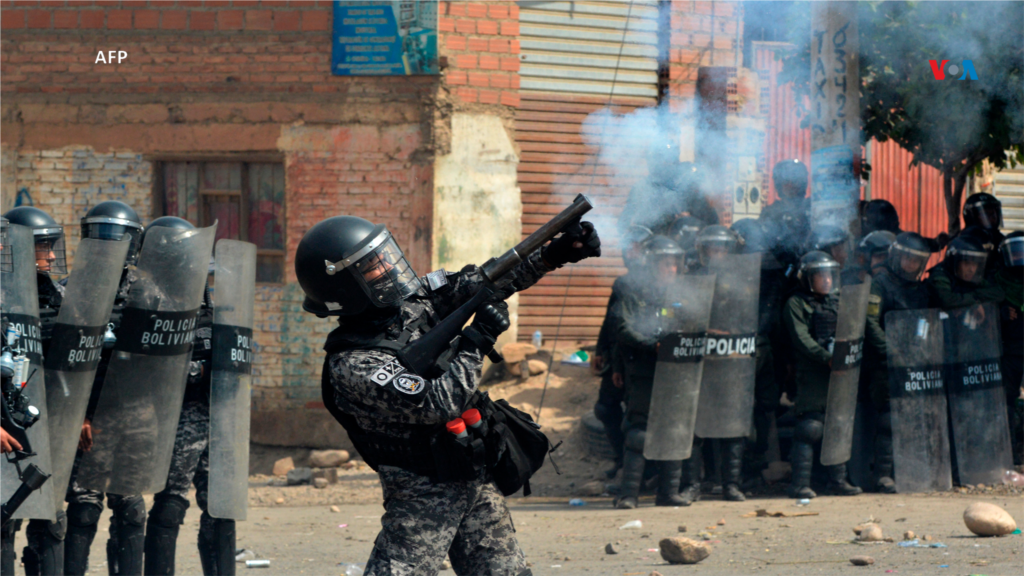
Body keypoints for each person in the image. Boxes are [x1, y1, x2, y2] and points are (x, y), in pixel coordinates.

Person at [297, 214, 599, 575]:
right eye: (371, 267)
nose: (387, 266)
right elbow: (441, 402)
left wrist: (553, 254)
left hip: (472, 471)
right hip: (422, 492)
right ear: (346, 289)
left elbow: (485, 283)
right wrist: (477, 341)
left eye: (383, 256)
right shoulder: (354, 363)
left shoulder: (412, 304)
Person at [63, 201, 146, 576]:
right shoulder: (70, 291)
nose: (110, 245)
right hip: (89, 419)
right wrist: (77, 413)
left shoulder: (147, 293)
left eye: (118, 237)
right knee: (83, 509)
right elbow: (60, 360)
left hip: (133, 415)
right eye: (101, 235)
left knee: (130, 509)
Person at [142, 217, 225, 576]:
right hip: (175, 418)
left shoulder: (208, 308)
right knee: (171, 504)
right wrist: (199, 371)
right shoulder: (148, 307)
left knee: (219, 506)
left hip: (217, 418)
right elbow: (147, 368)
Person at [3, 206, 68, 576]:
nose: (53, 256)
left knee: (51, 522)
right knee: (5, 522)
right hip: (6, 426)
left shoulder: (56, 297)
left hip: (50, 424)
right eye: (44, 247)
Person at [610, 236, 686, 509]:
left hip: (676, 372)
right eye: (667, 264)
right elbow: (622, 329)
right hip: (643, 370)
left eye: (675, 265)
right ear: (654, 264)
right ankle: (629, 495)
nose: (672, 270)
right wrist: (648, 345)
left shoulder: (682, 292)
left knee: (673, 429)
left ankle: (668, 492)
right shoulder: (633, 290)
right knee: (639, 432)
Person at [782, 251, 863, 499]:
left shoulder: (836, 300)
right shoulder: (796, 303)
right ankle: (799, 484)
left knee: (837, 423)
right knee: (811, 427)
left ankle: (837, 481)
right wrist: (826, 357)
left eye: (829, 275)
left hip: (840, 371)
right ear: (807, 278)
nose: (827, 280)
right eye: (820, 275)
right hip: (813, 371)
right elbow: (801, 339)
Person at [863, 232, 934, 493]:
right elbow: (870, 322)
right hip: (886, 364)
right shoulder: (879, 284)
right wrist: (891, 352)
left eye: (916, 261)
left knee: (915, 418)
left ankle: (910, 472)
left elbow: (925, 320)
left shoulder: (920, 289)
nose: (910, 265)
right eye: (906, 259)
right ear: (896, 256)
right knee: (889, 419)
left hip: (914, 362)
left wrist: (920, 345)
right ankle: (883, 475)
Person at [682, 225, 747, 503]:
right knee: (695, 427)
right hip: (699, 361)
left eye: (722, 248)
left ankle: (730, 484)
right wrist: (707, 332)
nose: (717, 253)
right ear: (703, 250)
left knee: (731, 424)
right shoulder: (692, 279)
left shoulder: (743, 281)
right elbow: (682, 316)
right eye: (712, 248)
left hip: (732, 361)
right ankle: (692, 484)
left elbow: (749, 318)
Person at [592, 226, 651, 480]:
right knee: (606, 408)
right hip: (618, 354)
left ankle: (641, 469)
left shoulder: (654, 283)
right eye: (628, 245)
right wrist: (600, 349)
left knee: (636, 415)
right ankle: (621, 459)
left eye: (635, 245)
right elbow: (611, 319)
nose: (630, 251)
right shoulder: (623, 283)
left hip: (640, 355)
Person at [731, 218, 782, 477]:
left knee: (764, 404)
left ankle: (758, 460)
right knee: (742, 407)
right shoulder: (730, 276)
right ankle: (743, 468)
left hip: (762, 346)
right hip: (737, 347)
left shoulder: (768, 269)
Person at [996, 232, 1024, 463]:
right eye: (1014, 251)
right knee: (1008, 401)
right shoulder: (998, 279)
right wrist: (1000, 313)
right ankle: (1010, 453)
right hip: (1011, 350)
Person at [925, 232, 1004, 311]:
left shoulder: (971, 277)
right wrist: (974, 302)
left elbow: (998, 293)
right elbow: (947, 300)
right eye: (967, 263)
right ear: (954, 262)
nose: (971, 269)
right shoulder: (940, 275)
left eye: (975, 264)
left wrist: (974, 298)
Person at [760, 159, 811, 272]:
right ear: (779, 184)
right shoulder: (770, 212)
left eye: (796, 181)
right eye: (787, 181)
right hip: (780, 270)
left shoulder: (813, 208)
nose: (791, 185)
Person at [961, 193, 1004, 271]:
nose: (992, 219)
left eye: (993, 214)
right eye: (985, 214)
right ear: (971, 216)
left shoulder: (1000, 239)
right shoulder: (963, 241)